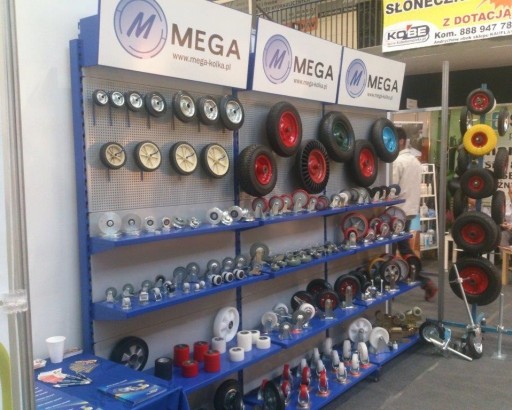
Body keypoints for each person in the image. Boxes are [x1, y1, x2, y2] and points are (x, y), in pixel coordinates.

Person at [392, 127, 438, 301]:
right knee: (403, 248)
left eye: (392, 140)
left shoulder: (397, 162)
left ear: (401, 141)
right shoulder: (415, 161)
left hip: (397, 212)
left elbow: (392, 190)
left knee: (394, 249)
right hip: (410, 211)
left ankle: (394, 286)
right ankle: (423, 282)